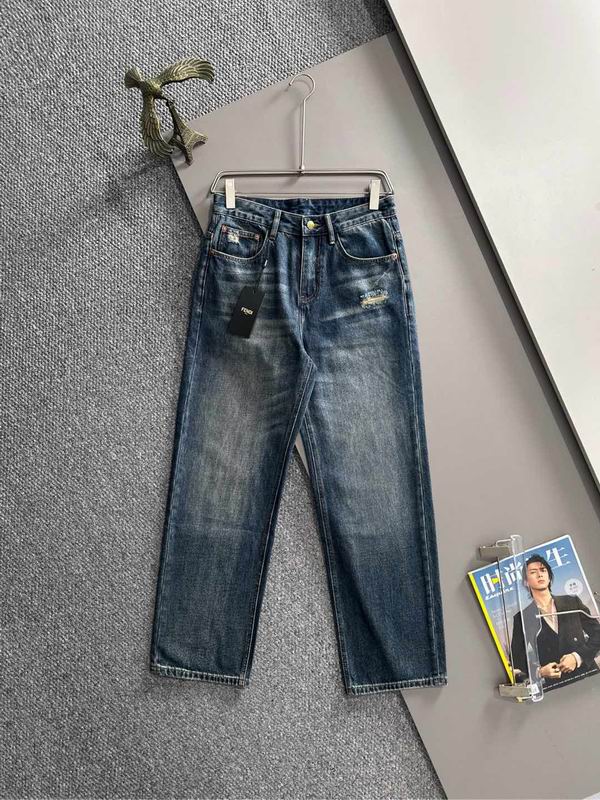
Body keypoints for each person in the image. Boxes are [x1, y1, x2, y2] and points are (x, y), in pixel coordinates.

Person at [510, 554, 600, 685]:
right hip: (556, 684)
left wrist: (577, 657)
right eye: (533, 572)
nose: (540, 575)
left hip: (589, 675)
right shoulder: (521, 618)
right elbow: (516, 658)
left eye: (543, 570)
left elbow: (598, 634)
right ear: (526, 582)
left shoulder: (572, 601)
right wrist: (540, 671)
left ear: (549, 576)